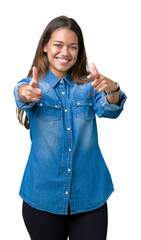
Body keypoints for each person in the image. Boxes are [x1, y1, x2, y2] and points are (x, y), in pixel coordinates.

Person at [14, 15, 127, 240]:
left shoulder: (89, 86)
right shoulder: (32, 85)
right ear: (45, 46)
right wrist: (26, 93)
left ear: (79, 51)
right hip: (42, 198)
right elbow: (21, 94)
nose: (65, 52)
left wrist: (113, 89)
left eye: (72, 47)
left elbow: (109, 110)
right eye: (58, 45)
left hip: (89, 197)